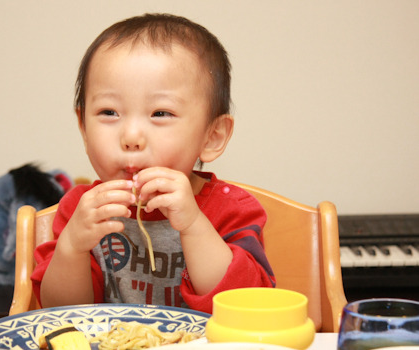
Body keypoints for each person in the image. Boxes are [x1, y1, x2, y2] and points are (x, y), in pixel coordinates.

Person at [31, 13, 275, 313]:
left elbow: (247, 307)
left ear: (212, 136)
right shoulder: (80, 211)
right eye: (109, 112)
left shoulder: (232, 210)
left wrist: (194, 225)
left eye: (160, 113)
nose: (131, 136)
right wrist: (71, 248)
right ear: (83, 128)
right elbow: (61, 315)